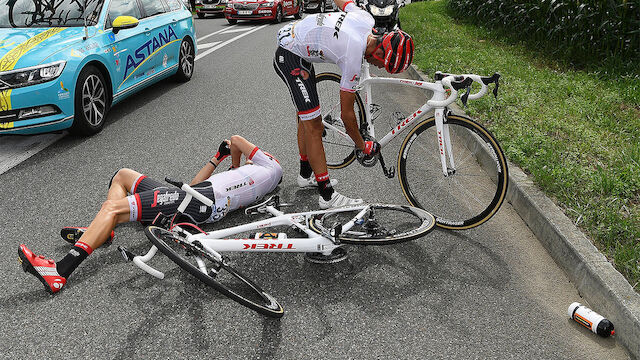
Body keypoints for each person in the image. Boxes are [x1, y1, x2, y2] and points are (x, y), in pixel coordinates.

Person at [18, 135, 283, 294]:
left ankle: (60, 271)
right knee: (122, 176)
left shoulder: (270, 167)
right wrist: (217, 159)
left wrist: (235, 159)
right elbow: (192, 185)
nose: (251, 159)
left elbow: (235, 140)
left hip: (197, 204)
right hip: (195, 200)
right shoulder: (249, 180)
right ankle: (102, 232)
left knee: (112, 209)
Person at [273, 0, 414, 209]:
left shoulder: (366, 19)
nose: (379, 67)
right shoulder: (352, 55)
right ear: (379, 52)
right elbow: (347, 115)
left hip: (300, 45)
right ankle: (327, 196)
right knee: (314, 126)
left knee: (305, 118)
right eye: (382, 64)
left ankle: (305, 174)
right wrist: (362, 145)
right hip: (290, 54)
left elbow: (344, 2)